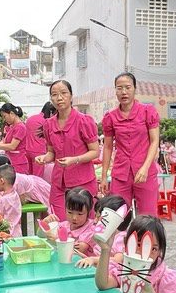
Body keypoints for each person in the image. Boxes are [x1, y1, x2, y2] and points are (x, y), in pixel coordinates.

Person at [99, 72, 161, 216]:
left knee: (147, 216)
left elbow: (154, 141)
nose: (124, 92)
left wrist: (145, 167)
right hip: (121, 173)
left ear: (134, 88)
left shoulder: (147, 111)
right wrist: (104, 177)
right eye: (119, 88)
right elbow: (107, 147)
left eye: (127, 87)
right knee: (116, 216)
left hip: (145, 172)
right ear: (115, 90)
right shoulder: (110, 117)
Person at [94, 214, 176, 293]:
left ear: (160, 251)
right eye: (138, 245)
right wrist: (105, 250)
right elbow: (103, 284)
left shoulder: (166, 282)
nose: (145, 253)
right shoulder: (124, 269)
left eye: (153, 249)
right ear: (126, 243)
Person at [35, 80, 99, 217]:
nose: (59, 98)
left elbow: (95, 152)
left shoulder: (84, 121)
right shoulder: (48, 125)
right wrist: (44, 158)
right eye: (54, 94)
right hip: (59, 183)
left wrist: (75, 159)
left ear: (71, 96)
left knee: (84, 222)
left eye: (63, 93)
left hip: (83, 182)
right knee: (59, 220)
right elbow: (51, 153)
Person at [58, 186, 103, 257]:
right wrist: (47, 225)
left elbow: (75, 251)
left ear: (89, 211)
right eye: (70, 212)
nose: (74, 218)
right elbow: (43, 236)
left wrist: (55, 239)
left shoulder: (92, 230)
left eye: (80, 214)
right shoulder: (63, 226)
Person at [0, 102, 31, 174]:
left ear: (12, 113)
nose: (4, 119)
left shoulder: (20, 127)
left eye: (4, 116)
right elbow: (4, 142)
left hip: (18, 163)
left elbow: (12, 146)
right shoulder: (12, 127)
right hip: (11, 161)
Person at [25, 103, 53, 183]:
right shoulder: (46, 121)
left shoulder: (31, 118)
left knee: (30, 176)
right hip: (38, 151)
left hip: (27, 149)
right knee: (38, 177)